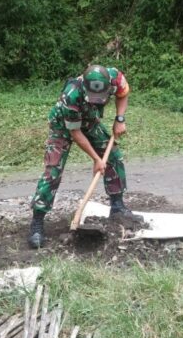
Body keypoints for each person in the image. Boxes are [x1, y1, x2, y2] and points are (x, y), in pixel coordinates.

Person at [27, 64, 141, 249]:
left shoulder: (115, 77)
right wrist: (96, 159)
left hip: (89, 121)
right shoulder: (71, 94)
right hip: (63, 127)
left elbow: (123, 93)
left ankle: (117, 207)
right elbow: (75, 133)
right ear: (85, 88)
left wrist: (120, 119)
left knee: (113, 156)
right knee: (53, 170)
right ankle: (37, 223)